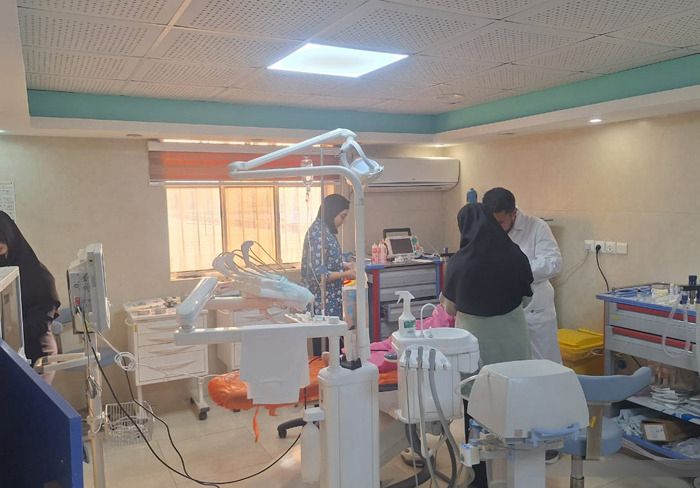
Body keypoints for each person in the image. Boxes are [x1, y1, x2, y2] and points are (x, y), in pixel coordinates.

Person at [441, 203, 533, 487]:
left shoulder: (459, 262)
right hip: (512, 341)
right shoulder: (514, 254)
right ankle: (520, 467)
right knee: (514, 402)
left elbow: (450, 307)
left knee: (476, 405)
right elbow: (526, 298)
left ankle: (478, 474)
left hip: (475, 345)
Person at [483, 187, 564, 364]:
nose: (496, 227)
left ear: (513, 214)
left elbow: (554, 263)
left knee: (542, 365)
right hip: (504, 311)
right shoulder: (488, 229)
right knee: (510, 365)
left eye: (501, 222)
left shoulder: (537, 227)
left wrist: (516, 271)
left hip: (534, 312)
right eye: (492, 221)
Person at [0, 211, 60, 380]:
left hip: (40, 354)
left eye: (0, 249)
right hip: (13, 355)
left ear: (12, 243)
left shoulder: (39, 279)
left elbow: (37, 325)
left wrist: (8, 332)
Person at [301, 195, 355, 354]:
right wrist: (345, 274)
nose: (343, 221)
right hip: (322, 306)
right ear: (332, 212)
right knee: (327, 353)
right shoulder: (318, 235)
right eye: (342, 216)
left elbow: (326, 261)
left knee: (335, 350)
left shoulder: (325, 231)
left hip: (331, 304)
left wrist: (344, 264)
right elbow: (318, 273)